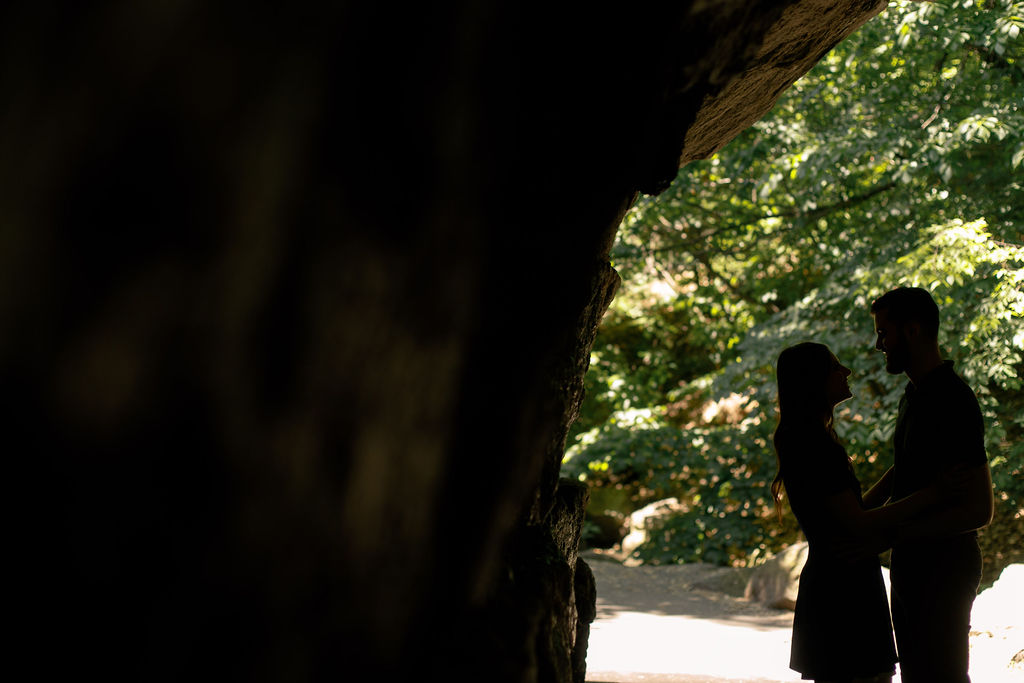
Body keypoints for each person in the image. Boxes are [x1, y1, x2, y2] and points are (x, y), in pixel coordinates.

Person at [771, 341, 946, 683]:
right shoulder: (816, 446)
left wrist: (897, 474)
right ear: (814, 380)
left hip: (835, 582)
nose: (847, 371)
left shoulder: (806, 440)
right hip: (844, 593)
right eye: (836, 366)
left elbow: (850, 512)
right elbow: (856, 522)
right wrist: (932, 495)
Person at [866, 286, 994, 683]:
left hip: (944, 569)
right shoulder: (913, 394)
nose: (878, 344)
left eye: (884, 333)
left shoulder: (953, 400)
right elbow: (905, 467)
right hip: (910, 563)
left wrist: (895, 532)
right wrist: (863, 508)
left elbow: (979, 510)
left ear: (913, 330)